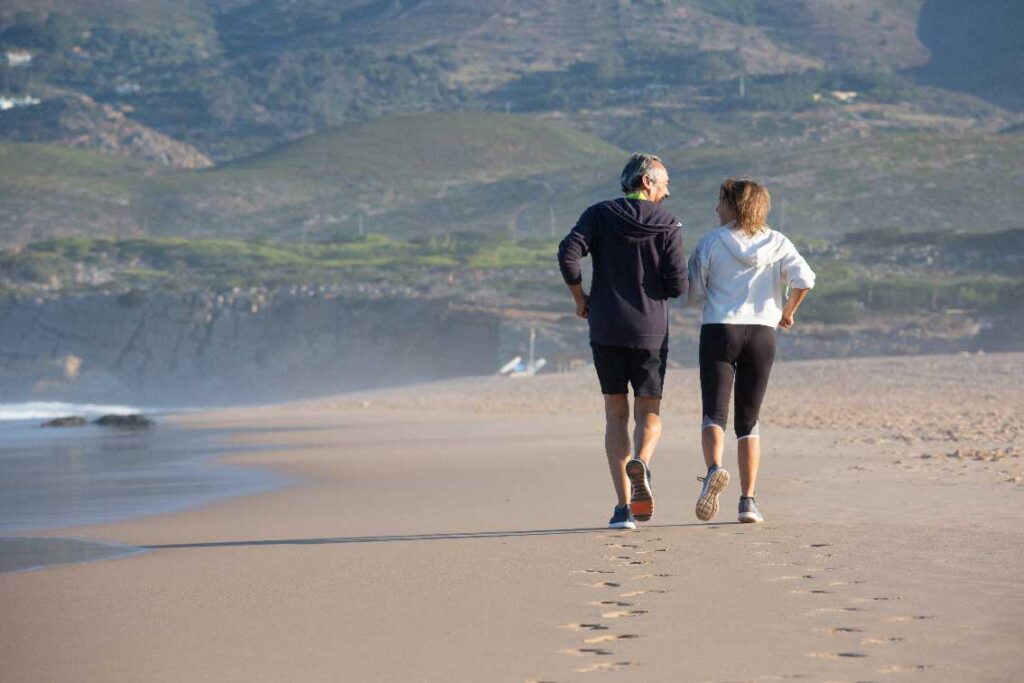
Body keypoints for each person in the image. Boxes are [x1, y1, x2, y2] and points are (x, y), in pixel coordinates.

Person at [558, 153, 687, 530]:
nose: (667, 192)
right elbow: (678, 285)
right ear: (647, 182)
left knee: (616, 414)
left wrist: (580, 298)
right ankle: (642, 464)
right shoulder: (667, 223)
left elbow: (568, 255)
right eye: (664, 184)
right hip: (650, 330)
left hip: (606, 327)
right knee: (649, 412)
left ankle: (622, 509)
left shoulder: (598, 214)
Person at [687, 179, 815, 523]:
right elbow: (805, 279)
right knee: (749, 420)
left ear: (734, 206)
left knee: (714, 413)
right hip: (762, 333)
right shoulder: (777, 241)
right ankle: (748, 502)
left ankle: (714, 469)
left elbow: (695, 293)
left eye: (721, 202)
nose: (716, 209)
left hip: (719, 329)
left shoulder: (711, 242)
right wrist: (788, 311)